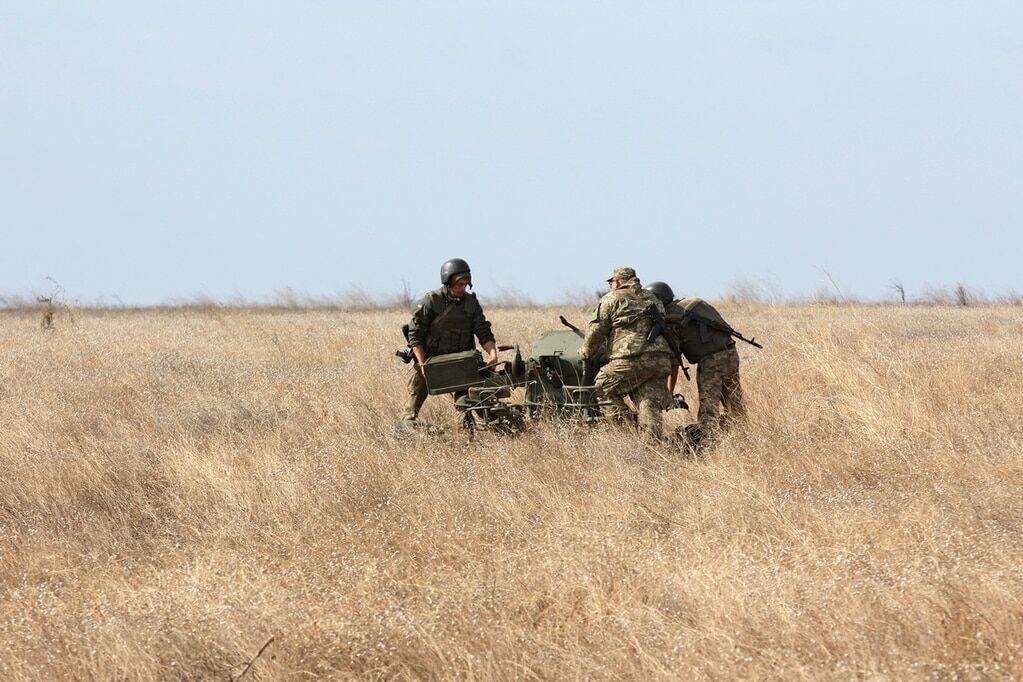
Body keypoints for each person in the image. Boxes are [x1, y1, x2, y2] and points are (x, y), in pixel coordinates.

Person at [397, 258, 498, 429]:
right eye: (459, 284)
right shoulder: (430, 301)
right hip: (430, 362)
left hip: (461, 363)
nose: (462, 288)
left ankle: (468, 435)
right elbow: (415, 335)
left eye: (465, 284)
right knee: (411, 407)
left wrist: (493, 354)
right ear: (448, 281)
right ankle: (407, 431)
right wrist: (423, 365)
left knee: (466, 404)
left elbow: (483, 331)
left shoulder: (471, 304)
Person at [645, 281, 746, 442]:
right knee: (735, 402)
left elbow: (674, 363)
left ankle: (708, 444)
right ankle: (743, 439)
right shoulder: (688, 305)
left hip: (711, 361)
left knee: (709, 408)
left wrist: (669, 393)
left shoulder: (671, 320)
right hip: (731, 352)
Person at [579, 267, 673, 440]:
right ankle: (653, 446)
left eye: (611, 283)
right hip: (661, 360)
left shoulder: (612, 298)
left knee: (601, 387)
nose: (610, 286)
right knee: (648, 403)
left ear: (618, 282)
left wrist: (586, 351)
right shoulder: (653, 298)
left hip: (632, 358)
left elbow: (597, 329)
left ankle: (629, 433)